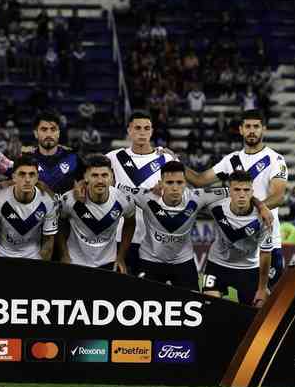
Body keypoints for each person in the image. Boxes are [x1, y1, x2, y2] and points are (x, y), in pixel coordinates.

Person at [184, 109, 288, 288]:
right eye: (248, 126)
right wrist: (173, 162)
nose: (252, 130)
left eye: (256, 126)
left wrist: (261, 206)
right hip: (236, 242)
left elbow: (278, 196)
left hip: (266, 240)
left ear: (264, 129)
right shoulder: (231, 160)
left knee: (264, 303)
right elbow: (199, 180)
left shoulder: (275, 160)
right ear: (241, 130)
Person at [119, 161, 231, 291]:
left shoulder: (197, 197)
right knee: (144, 304)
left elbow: (236, 191)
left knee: (195, 303)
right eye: (169, 182)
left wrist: (260, 205)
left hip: (183, 262)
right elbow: (116, 186)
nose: (175, 187)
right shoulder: (146, 196)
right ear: (161, 184)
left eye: (179, 182)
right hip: (150, 260)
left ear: (186, 184)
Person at [105, 110, 176, 274]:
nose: (142, 132)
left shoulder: (166, 159)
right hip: (120, 236)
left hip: (154, 238)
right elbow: (88, 175)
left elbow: (182, 195)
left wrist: (166, 193)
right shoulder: (114, 158)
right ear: (129, 130)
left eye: (146, 128)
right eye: (137, 128)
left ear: (152, 131)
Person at [202, 171, 274, 307]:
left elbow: (265, 253)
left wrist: (262, 288)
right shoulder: (215, 206)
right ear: (229, 191)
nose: (242, 194)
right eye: (237, 189)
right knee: (210, 308)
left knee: (257, 312)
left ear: (252, 192)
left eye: (246, 190)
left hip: (248, 268)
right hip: (218, 264)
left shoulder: (264, 218)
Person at [58, 155, 136, 272]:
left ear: (111, 177)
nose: (100, 181)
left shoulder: (124, 200)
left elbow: (130, 224)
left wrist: (120, 257)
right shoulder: (69, 200)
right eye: (94, 175)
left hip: (108, 263)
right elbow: (59, 223)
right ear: (85, 177)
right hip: (75, 262)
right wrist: (64, 254)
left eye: (104, 175)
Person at [0, 155, 58, 260]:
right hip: (2, 256)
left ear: (37, 178)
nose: (27, 179)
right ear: (14, 177)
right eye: (22, 174)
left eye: (32, 175)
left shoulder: (48, 203)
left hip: (33, 258)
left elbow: (48, 241)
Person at [27, 110, 81, 196]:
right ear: (36, 133)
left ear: (58, 133)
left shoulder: (73, 158)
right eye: (44, 129)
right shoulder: (26, 159)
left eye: (53, 129)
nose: (49, 134)